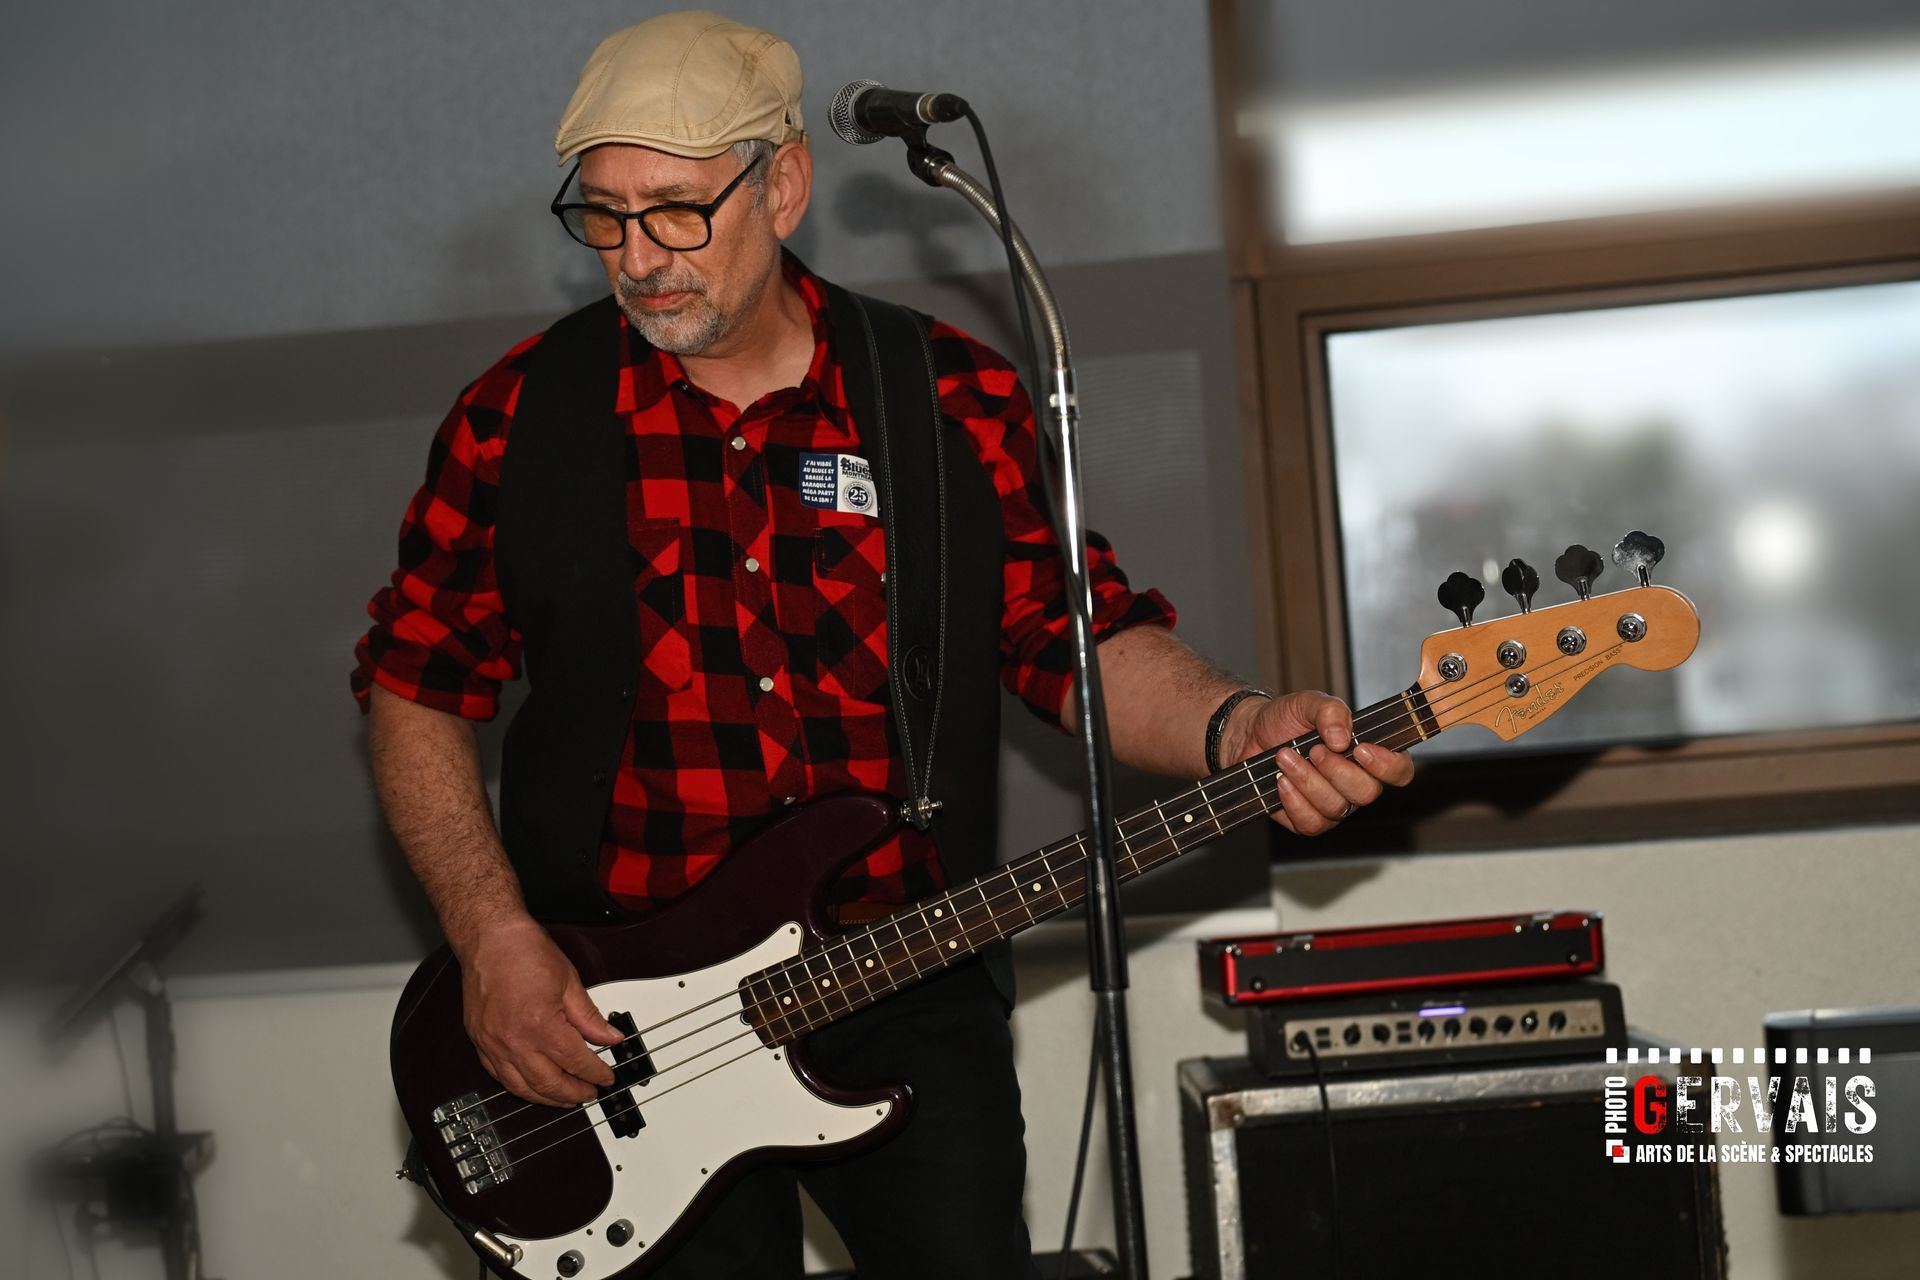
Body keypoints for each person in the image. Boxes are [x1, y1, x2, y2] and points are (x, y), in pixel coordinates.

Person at [352, 11, 1413, 1277]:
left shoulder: (943, 395)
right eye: (606, 214)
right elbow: (415, 687)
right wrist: (492, 936)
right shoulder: (517, 417)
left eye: (680, 210)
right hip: (614, 1017)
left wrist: (1240, 728)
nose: (639, 257)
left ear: (785, 181)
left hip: (906, 981)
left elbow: (1069, 635)